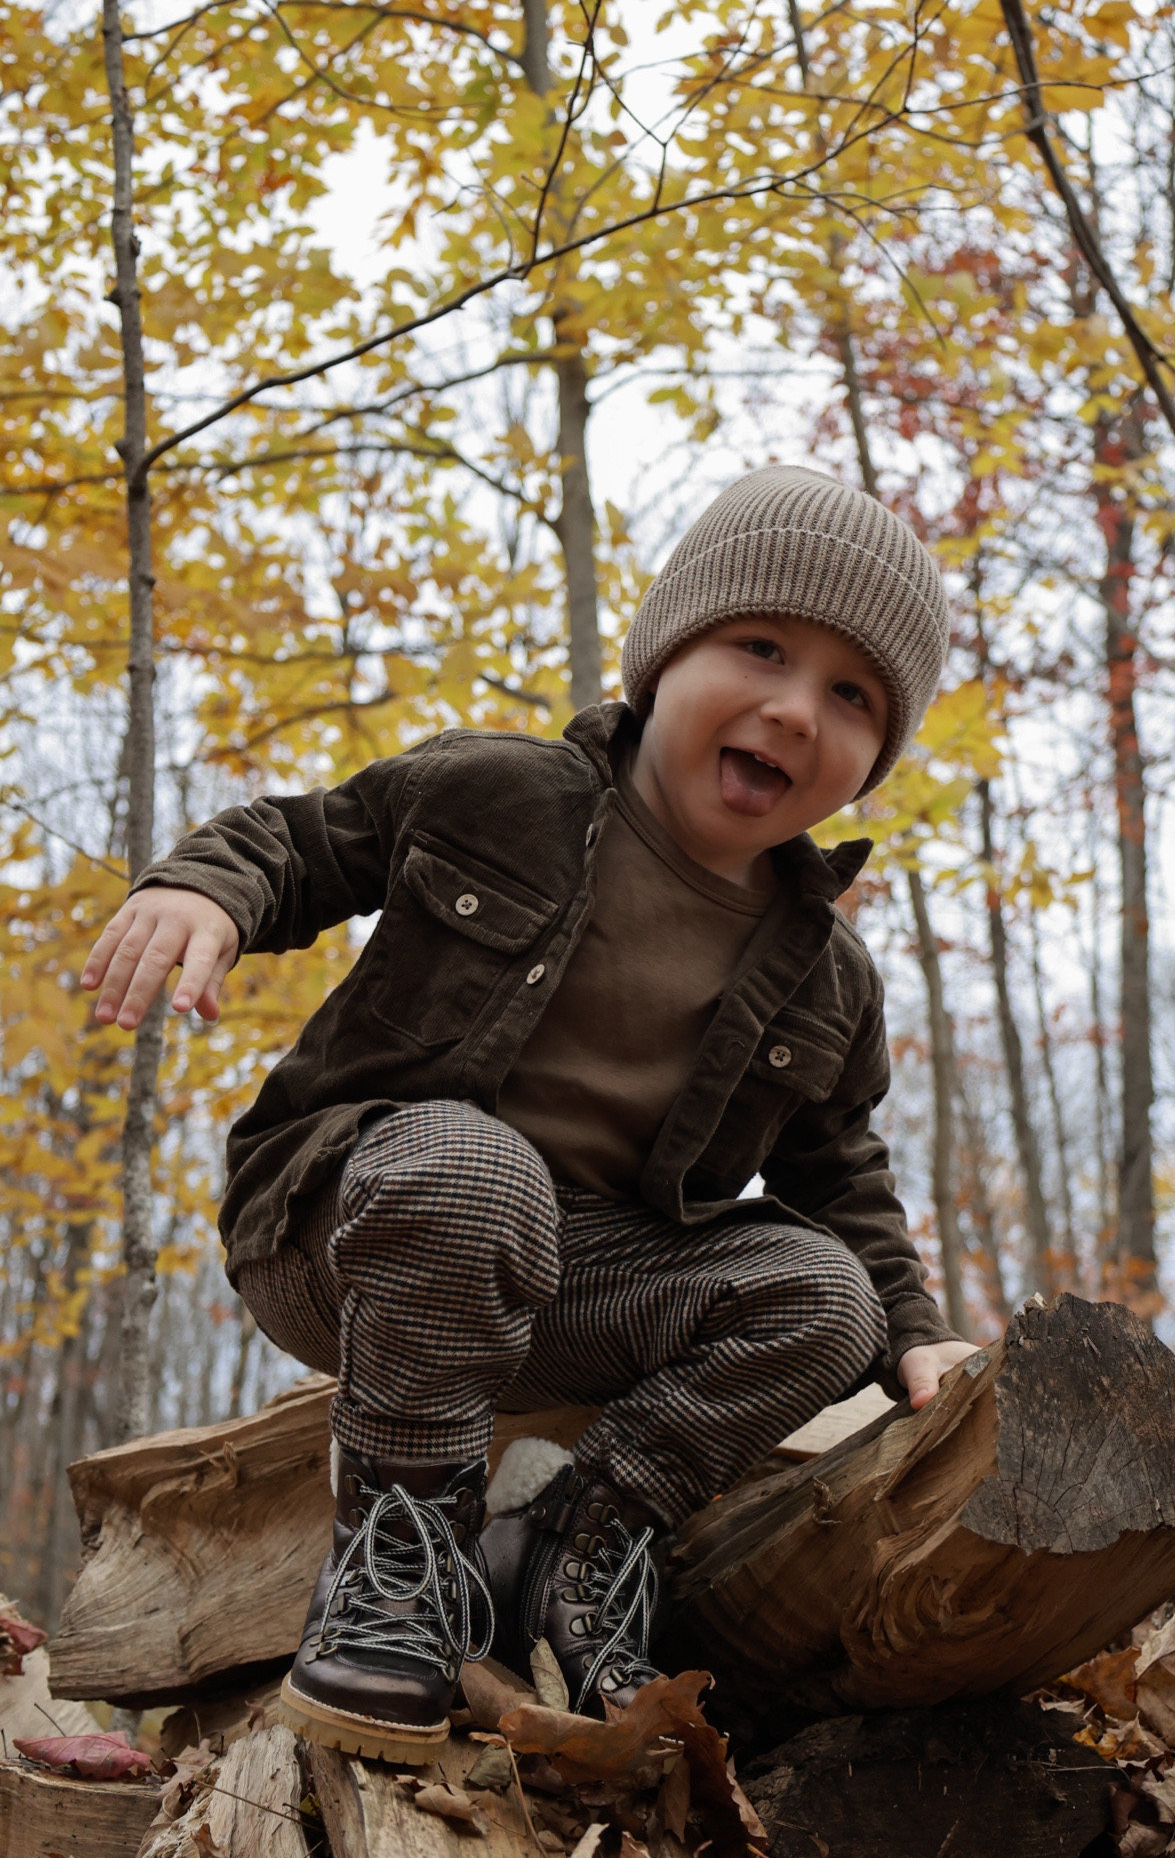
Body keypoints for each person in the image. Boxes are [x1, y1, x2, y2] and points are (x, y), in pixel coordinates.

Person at [81, 465, 978, 1764]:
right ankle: (400, 1559)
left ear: (871, 761)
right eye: (761, 649)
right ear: (665, 657)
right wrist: (205, 892)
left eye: (851, 697)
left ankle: (571, 1535)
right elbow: (306, 838)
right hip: (348, 1223)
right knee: (469, 1165)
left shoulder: (824, 974)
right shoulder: (498, 792)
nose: (793, 709)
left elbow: (839, 1178)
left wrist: (917, 1334)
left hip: (582, 1277)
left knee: (821, 1294)